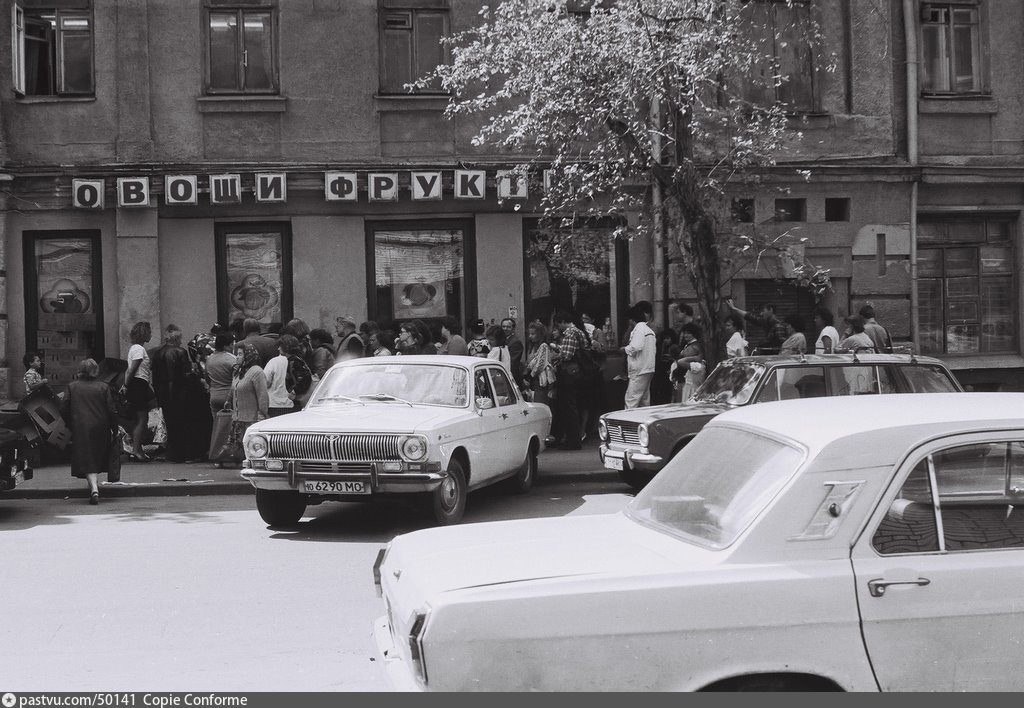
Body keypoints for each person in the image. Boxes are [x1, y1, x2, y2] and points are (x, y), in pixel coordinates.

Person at [61, 358, 117, 505]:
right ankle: (94, 487)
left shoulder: (72, 387)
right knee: (94, 457)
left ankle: (93, 488)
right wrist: (115, 427)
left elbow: (64, 408)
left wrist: (69, 423)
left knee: (87, 457)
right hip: (101, 425)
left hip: (80, 426)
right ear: (96, 371)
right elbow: (111, 410)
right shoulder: (104, 387)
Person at [151, 325, 199, 462]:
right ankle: (183, 453)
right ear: (177, 338)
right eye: (180, 338)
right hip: (179, 393)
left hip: (163, 393)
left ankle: (172, 453)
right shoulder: (180, 352)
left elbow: (156, 376)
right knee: (183, 424)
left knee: (170, 424)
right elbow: (184, 375)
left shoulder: (158, 353)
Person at [548, 311, 586, 450]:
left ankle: (573, 441)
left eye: (559, 324)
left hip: (570, 373)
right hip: (577, 373)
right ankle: (573, 439)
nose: (559, 328)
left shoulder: (570, 333)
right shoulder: (579, 331)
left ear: (564, 321)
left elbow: (567, 355)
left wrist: (556, 351)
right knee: (572, 406)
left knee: (569, 407)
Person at [120, 320, 156, 463]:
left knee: (138, 419)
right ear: (144, 333)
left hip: (137, 384)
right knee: (142, 419)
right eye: (149, 332)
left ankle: (138, 449)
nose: (151, 334)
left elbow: (129, 370)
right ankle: (136, 450)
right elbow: (133, 369)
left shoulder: (135, 348)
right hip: (138, 384)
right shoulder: (138, 349)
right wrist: (126, 385)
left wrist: (126, 385)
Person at [231, 343, 269, 446]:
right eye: (236, 354)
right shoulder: (239, 371)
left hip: (252, 421)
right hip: (238, 421)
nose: (237, 357)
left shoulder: (257, 372)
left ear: (248, 355)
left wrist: (262, 415)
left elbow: (262, 396)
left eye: (240, 354)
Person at [622, 303, 657, 409]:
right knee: (644, 401)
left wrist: (624, 349)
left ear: (632, 319)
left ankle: (628, 424)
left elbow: (636, 347)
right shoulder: (649, 331)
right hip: (648, 368)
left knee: (631, 401)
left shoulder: (638, 329)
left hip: (639, 369)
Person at [522, 321, 556, 408]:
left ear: (540, 334)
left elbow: (540, 365)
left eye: (533, 334)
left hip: (540, 381)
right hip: (534, 381)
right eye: (529, 334)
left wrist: (529, 375)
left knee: (540, 404)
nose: (530, 336)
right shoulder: (533, 346)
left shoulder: (543, 346)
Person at [264, 334, 296, 417]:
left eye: (280, 346)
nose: (278, 349)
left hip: (274, 404)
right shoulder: (298, 361)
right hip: (291, 403)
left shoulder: (274, 362)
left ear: (285, 347)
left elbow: (266, 382)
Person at [672, 322, 705, 402]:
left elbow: (682, 360)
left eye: (688, 333)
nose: (685, 335)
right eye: (685, 333)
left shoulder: (694, 346)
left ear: (694, 334)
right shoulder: (688, 345)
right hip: (684, 378)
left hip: (689, 378)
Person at [206, 332, 237, 416]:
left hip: (214, 396)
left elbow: (207, 378)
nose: (232, 347)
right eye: (231, 344)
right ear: (225, 346)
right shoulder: (232, 359)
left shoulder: (209, 359)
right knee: (230, 425)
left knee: (217, 425)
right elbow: (237, 380)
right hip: (229, 396)